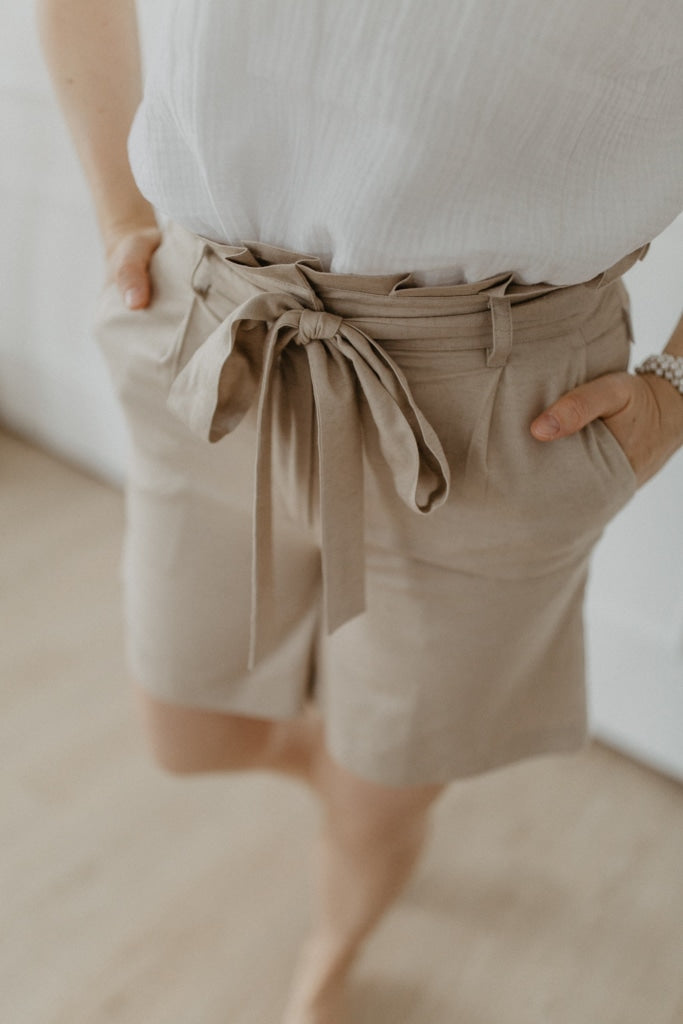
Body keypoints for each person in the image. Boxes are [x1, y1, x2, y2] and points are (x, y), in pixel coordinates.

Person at [37, 2, 683, 1021]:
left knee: (377, 799)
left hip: (496, 409)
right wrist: (121, 213)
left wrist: (676, 385)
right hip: (217, 337)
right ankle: (339, 756)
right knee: (187, 732)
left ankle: (338, 938)